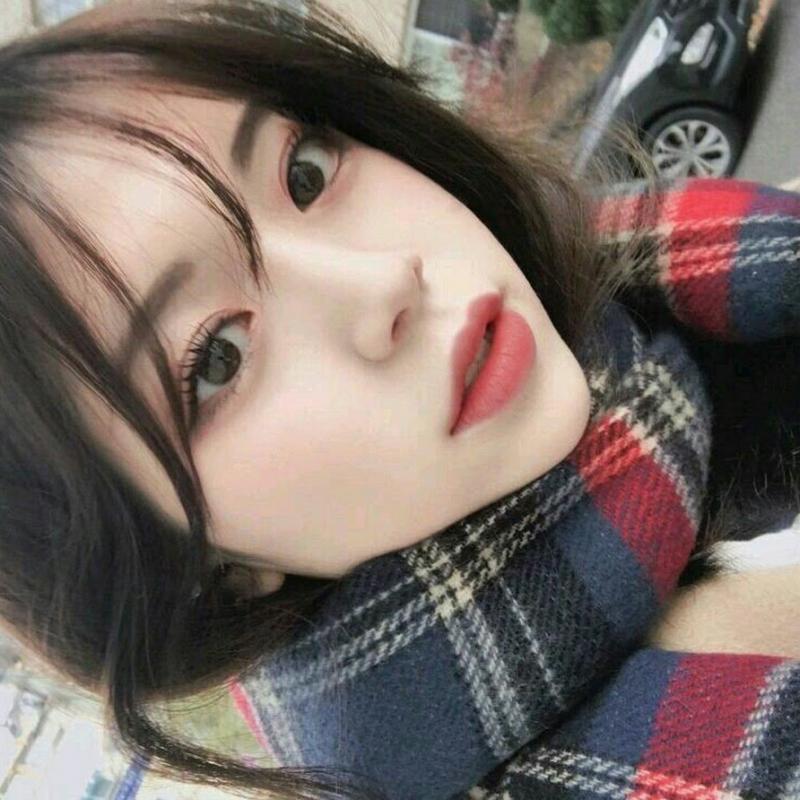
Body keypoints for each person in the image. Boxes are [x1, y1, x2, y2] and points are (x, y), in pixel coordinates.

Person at [0, 1, 796, 799]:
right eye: (217, 359)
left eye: (305, 172)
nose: (384, 280)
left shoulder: (695, 278)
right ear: (200, 570)